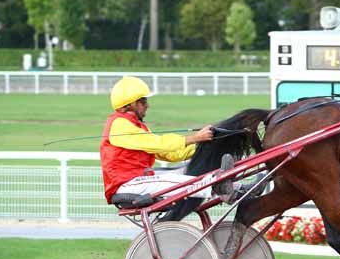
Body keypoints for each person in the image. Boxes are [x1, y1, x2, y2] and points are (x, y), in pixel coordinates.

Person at [100, 76, 260, 205]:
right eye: (143, 101)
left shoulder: (137, 126)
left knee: (193, 170)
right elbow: (159, 144)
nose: (147, 106)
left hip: (141, 179)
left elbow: (170, 155)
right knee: (183, 181)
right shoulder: (118, 124)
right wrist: (194, 138)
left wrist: (203, 146)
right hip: (126, 185)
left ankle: (240, 189)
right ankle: (230, 191)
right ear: (132, 104)